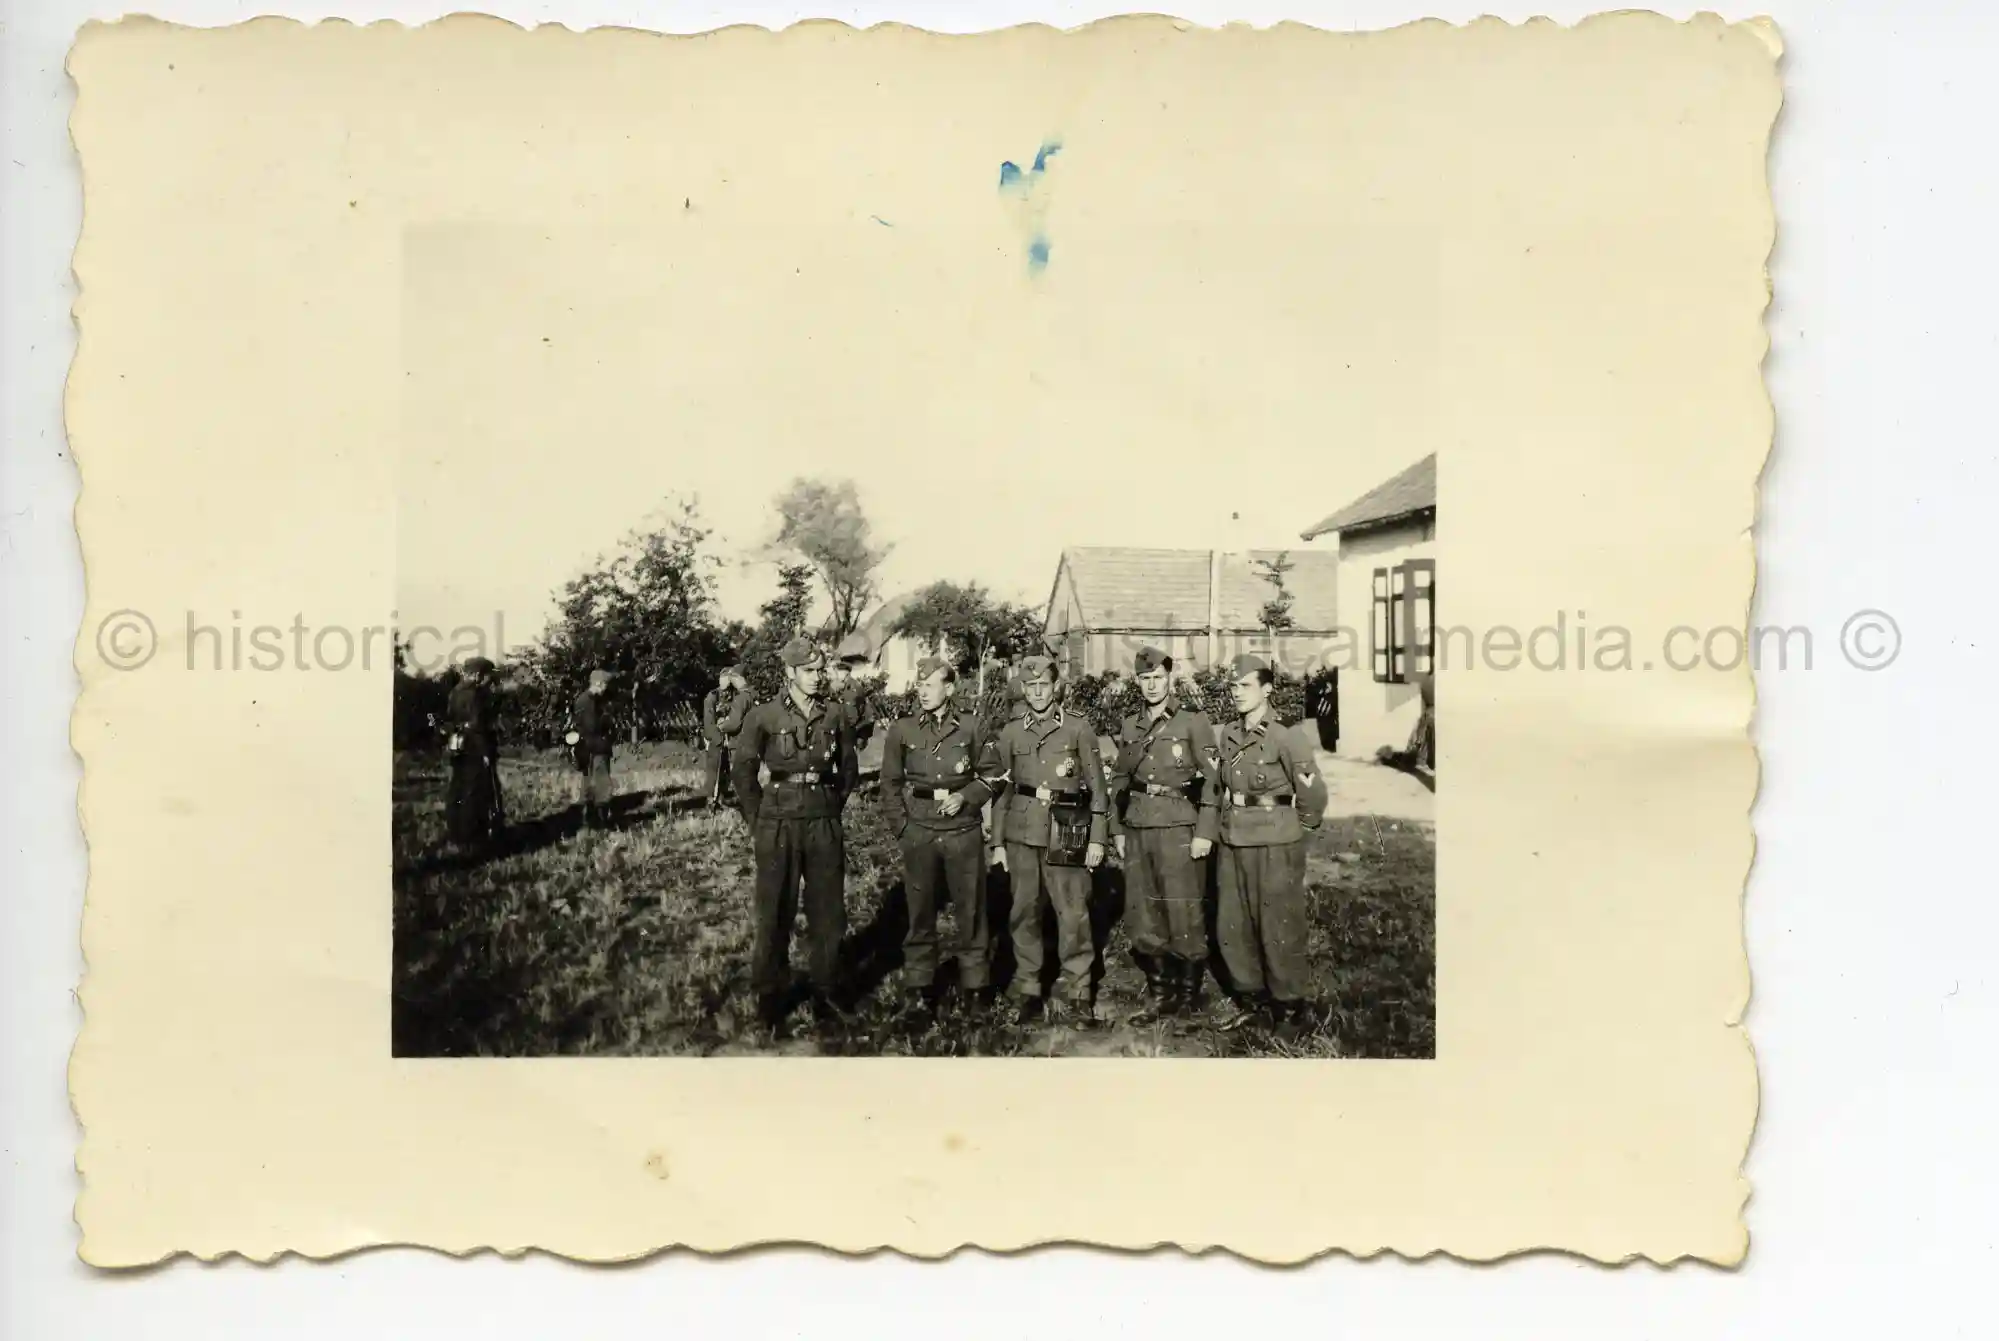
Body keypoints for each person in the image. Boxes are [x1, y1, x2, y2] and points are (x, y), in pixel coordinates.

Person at [730, 638, 858, 1031]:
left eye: (821, 670)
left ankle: (826, 994)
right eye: (809, 670)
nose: (818, 677)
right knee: (775, 913)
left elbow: (848, 770)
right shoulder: (763, 716)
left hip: (822, 821)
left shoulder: (835, 714)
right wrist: (759, 819)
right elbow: (743, 771)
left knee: (828, 914)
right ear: (790, 673)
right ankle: (770, 999)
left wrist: (828, 808)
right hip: (777, 823)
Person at [878, 656, 1005, 1024]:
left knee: (971, 912)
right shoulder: (902, 730)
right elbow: (889, 784)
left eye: (930, 685)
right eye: (920, 685)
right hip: (919, 831)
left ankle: (975, 988)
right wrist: (902, 827)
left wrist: (965, 797)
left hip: (962, 833)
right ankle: (919, 989)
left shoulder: (971, 726)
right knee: (920, 913)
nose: (923, 691)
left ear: (949, 688)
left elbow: (993, 776)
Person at [1211, 654, 1330, 1034]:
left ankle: (1290, 1009)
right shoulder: (1229, 733)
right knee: (1234, 923)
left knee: (1279, 924)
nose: (1237, 693)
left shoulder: (1287, 736)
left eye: (1245, 685)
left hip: (1275, 843)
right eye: (1233, 686)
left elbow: (1313, 795)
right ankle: (1252, 1000)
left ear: (1267, 689)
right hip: (1234, 839)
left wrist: (1299, 835)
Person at [991, 654, 1109, 1026]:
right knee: (1023, 912)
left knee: (1072, 912)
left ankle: (1078, 992)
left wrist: (1098, 839)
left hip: (1068, 826)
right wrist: (997, 843)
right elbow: (1003, 792)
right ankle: (1028, 989)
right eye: (1031, 686)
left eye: (1044, 685)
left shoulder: (1078, 729)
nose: (1038, 693)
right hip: (1022, 832)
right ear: (1023, 689)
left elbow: (1098, 791)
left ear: (1056, 686)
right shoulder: (1011, 732)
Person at [1106, 646, 1221, 1021]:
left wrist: (1205, 830)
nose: (1152, 685)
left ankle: (1188, 995)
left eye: (1158, 677)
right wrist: (1117, 830)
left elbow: (1214, 780)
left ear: (1169, 678)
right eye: (1145, 678)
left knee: (1183, 908)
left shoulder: (1192, 721)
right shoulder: (1130, 725)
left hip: (1179, 825)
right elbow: (1120, 780)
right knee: (1145, 910)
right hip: (1138, 825)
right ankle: (1160, 994)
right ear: (1137, 682)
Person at [443, 656, 504, 848]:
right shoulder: (477, 694)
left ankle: (456, 834)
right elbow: (478, 726)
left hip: (459, 747)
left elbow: (451, 720)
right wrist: (486, 752)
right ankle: (474, 838)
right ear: (478, 675)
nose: (489, 680)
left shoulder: (455, 692)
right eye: (487, 676)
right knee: (477, 793)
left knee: (458, 789)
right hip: (476, 748)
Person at [568, 668, 617, 828]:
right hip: (594, 748)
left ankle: (590, 818)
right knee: (601, 782)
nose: (606, 688)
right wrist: (607, 723)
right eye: (605, 685)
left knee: (589, 782)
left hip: (589, 748)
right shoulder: (587, 702)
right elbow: (592, 726)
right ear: (597, 683)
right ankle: (599, 819)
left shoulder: (592, 699)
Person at [700, 666, 749, 810]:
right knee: (714, 770)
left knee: (728, 771)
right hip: (716, 738)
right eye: (725, 680)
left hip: (732, 738)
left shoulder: (737, 696)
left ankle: (724, 798)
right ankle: (711, 801)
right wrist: (717, 739)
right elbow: (708, 722)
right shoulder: (712, 697)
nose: (727, 686)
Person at [827, 632, 879, 754]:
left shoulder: (855, 688)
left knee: (848, 766)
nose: (838, 675)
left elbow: (866, 712)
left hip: (850, 732)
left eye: (841, 671)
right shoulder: (832, 688)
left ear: (847, 672)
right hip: (833, 732)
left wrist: (863, 735)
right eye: (836, 671)